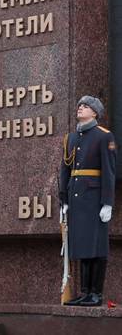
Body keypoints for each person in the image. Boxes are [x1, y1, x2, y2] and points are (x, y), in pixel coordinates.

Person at [59, 96, 116, 306]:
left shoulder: (104, 136)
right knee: (82, 245)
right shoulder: (71, 138)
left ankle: (96, 294)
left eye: (86, 106)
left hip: (94, 199)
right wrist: (63, 199)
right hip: (76, 199)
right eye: (79, 105)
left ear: (95, 113)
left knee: (96, 245)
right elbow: (66, 170)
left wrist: (107, 203)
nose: (81, 108)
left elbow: (109, 172)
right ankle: (84, 293)